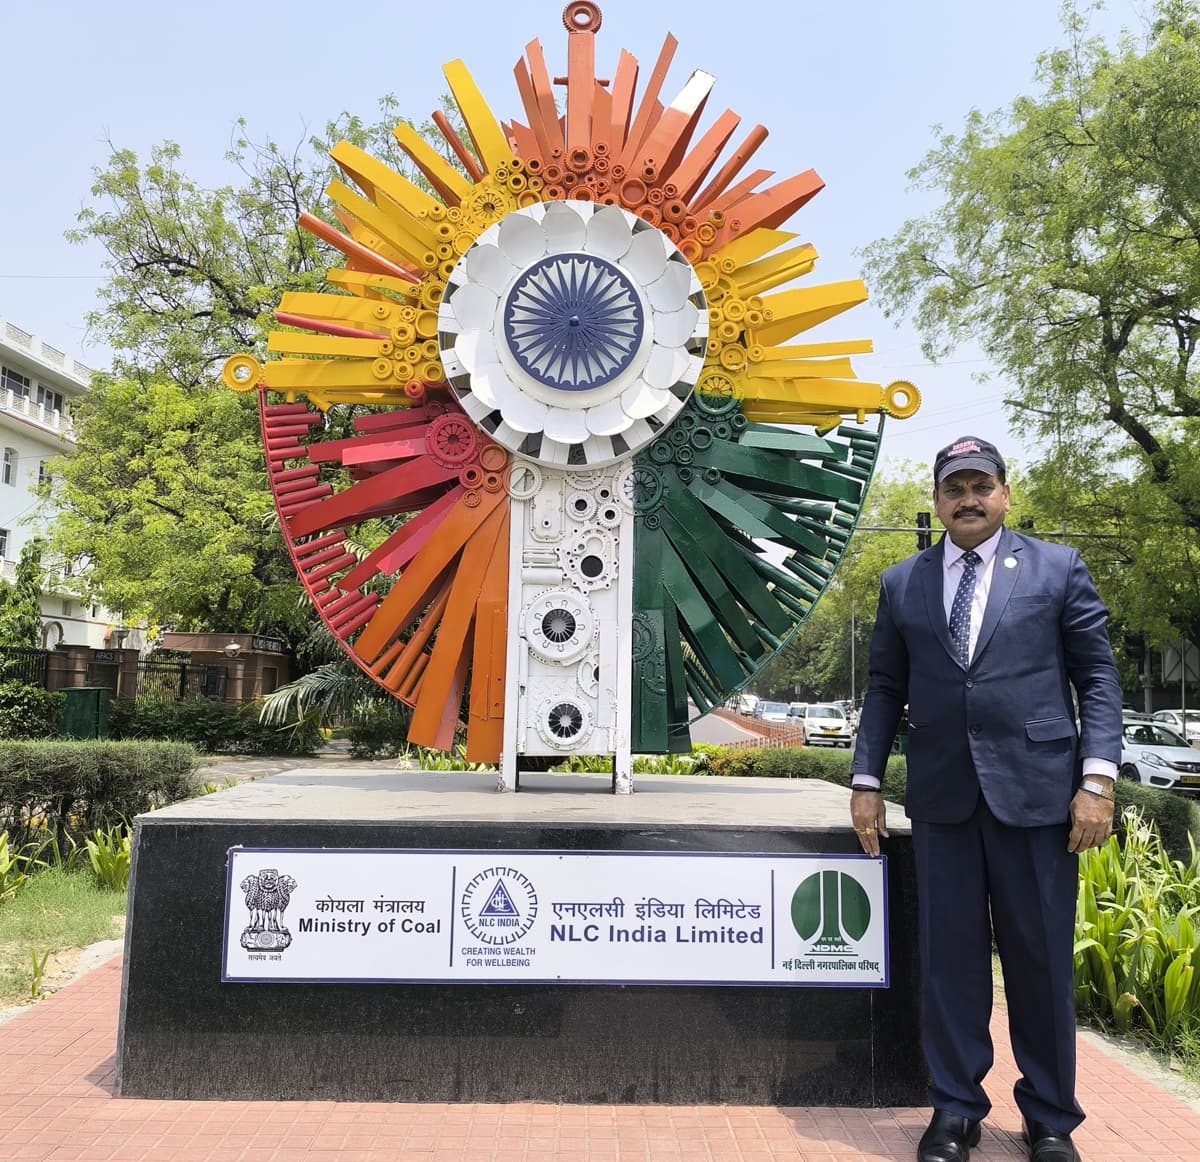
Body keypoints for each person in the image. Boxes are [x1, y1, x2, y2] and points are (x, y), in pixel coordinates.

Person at [849, 436, 1121, 1162]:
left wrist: (1096, 781)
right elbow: (884, 688)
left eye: (980, 485)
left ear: (1004, 492)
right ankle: (956, 1109)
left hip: (1038, 797)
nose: (967, 499)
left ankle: (1052, 1118)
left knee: (1040, 963)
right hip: (942, 798)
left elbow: (1097, 678)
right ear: (937, 500)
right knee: (950, 963)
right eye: (953, 488)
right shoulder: (903, 582)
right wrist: (867, 781)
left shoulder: (1057, 568)